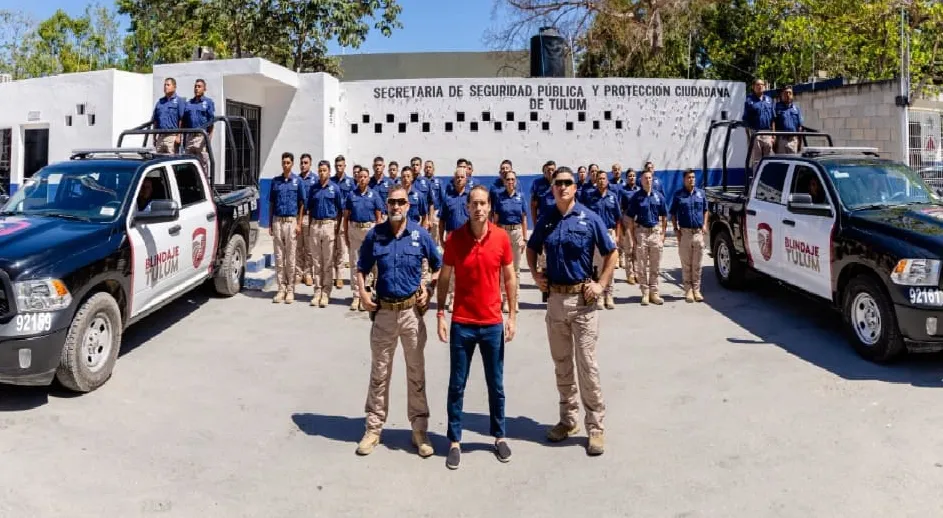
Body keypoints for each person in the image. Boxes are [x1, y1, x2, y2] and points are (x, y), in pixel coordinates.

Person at [525, 166, 616, 456]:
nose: (562, 187)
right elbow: (532, 247)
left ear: (575, 187)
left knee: (587, 365)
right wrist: (535, 275)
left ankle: (596, 427)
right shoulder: (548, 220)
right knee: (562, 363)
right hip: (555, 302)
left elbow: (611, 252)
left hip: (583, 303)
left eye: (567, 183)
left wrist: (601, 284)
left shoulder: (590, 219)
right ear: (552, 189)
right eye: (557, 183)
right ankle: (568, 420)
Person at [355, 185, 441, 458]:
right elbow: (361, 267)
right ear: (387, 204)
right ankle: (373, 429)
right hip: (383, 314)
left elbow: (439, 265)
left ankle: (419, 430)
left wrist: (428, 288)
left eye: (401, 202)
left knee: (416, 374)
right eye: (391, 202)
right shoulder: (376, 235)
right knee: (379, 374)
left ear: (408, 205)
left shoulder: (420, 234)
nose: (395, 206)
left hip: (411, 315)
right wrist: (362, 292)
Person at [436, 185, 517, 470]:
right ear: (467, 208)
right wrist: (440, 315)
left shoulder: (502, 238)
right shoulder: (455, 239)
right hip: (463, 324)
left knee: (496, 385)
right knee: (457, 385)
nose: (479, 208)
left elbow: (509, 277)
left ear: (490, 207)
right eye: (474, 204)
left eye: (483, 203)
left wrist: (513, 315)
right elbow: (444, 279)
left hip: (493, 324)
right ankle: (455, 441)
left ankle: (499, 436)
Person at [581, 171, 622, 309]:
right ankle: (598, 296)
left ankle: (609, 295)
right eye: (599, 179)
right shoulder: (590, 197)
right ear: (595, 180)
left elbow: (618, 218)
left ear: (607, 181)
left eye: (604, 178)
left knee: (609, 266)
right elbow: (585, 218)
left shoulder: (613, 197)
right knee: (597, 266)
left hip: (609, 233)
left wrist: (617, 235)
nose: (601, 181)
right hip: (595, 235)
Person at [626, 170, 668, 306]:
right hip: (642, 233)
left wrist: (663, 234)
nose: (648, 180)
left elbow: (664, 216)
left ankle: (654, 292)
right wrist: (633, 236)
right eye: (645, 178)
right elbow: (630, 218)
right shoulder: (636, 197)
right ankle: (644, 292)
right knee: (642, 265)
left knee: (655, 264)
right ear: (641, 181)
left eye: (650, 178)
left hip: (655, 232)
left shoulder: (659, 196)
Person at [268, 152, 306, 304]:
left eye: (288, 162)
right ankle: (280, 289)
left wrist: (299, 223)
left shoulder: (297, 182)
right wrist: (270, 223)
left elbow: (302, 203)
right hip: (278, 221)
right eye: (284, 162)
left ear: (292, 164)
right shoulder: (275, 182)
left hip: (291, 221)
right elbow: (271, 203)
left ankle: (290, 289)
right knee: (279, 257)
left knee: (290, 257)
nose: (286, 165)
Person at [344, 166, 383, 311]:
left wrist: (378, 234)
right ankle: (356, 296)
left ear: (368, 178)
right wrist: (346, 234)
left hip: (370, 230)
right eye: (360, 176)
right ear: (357, 178)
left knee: (371, 264)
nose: (362, 179)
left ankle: (367, 293)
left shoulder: (374, 195)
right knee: (355, 263)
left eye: (365, 176)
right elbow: (346, 217)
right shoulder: (351, 195)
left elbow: (379, 216)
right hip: (355, 230)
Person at [306, 160, 343, 308]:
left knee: (327, 262)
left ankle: (326, 292)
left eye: (324, 170)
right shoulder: (313, 189)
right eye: (320, 170)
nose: (322, 173)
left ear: (329, 172)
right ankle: (317, 291)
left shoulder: (335, 189)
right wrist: (310, 228)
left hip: (329, 225)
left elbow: (340, 210)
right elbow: (309, 209)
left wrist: (336, 227)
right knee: (316, 261)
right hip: (315, 225)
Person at [491, 170, 528, 313]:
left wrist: (524, 238)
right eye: (508, 180)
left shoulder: (521, 197)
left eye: (513, 179)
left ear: (516, 181)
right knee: (503, 268)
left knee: (516, 269)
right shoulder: (500, 197)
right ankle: (505, 299)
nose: (510, 182)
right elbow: (495, 219)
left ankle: (515, 299)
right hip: (503, 233)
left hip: (517, 232)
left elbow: (524, 218)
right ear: (504, 181)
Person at [670, 169, 709, 303]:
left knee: (697, 264)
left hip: (698, 233)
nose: (691, 179)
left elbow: (705, 210)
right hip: (685, 233)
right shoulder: (678, 195)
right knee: (686, 264)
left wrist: (704, 225)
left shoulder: (701, 194)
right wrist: (676, 229)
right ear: (684, 179)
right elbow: (673, 213)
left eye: (693, 177)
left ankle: (697, 290)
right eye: (688, 177)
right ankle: (688, 290)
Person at [439, 167, 471, 311]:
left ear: (466, 178)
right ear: (454, 179)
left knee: (467, 269)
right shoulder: (448, 198)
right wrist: (441, 239)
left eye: (462, 177)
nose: (459, 179)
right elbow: (442, 221)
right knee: (451, 271)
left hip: (468, 237)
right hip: (452, 237)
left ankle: (467, 298)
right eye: (457, 177)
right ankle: (453, 298)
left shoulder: (471, 198)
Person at [182, 78, 216, 177]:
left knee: (202, 163)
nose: (196, 88)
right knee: (188, 163)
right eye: (195, 86)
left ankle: (204, 185)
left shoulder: (208, 102)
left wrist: (209, 137)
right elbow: (184, 122)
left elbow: (211, 122)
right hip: (190, 137)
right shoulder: (189, 103)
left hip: (202, 136)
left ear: (204, 89)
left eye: (199, 87)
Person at [332, 155, 355, 291]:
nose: (338, 168)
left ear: (345, 166)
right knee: (331, 247)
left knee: (341, 247)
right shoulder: (331, 181)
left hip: (344, 217)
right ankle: (332, 274)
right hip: (332, 216)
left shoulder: (350, 182)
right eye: (336, 166)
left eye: (341, 165)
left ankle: (339, 276)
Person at [743, 78, 776, 168]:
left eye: (762, 84)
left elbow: (773, 119)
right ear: (753, 87)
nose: (760, 86)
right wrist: (749, 137)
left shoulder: (769, 100)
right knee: (757, 162)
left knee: (769, 161)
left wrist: (773, 135)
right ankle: (756, 181)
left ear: (764, 87)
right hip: (755, 133)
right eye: (757, 85)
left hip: (768, 133)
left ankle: (768, 181)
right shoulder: (749, 101)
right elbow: (746, 120)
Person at [295, 154, 315, 287]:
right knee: (298, 246)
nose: (303, 165)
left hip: (309, 216)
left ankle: (308, 273)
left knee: (308, 247)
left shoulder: (315, 180)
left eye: (306, 163)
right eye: (301, 163)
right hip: (296, 216)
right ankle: (298, 273)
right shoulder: (295, 179)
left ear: (310, 164)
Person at [151, 78, 185, 154]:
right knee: (158, 161)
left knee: (171, 160)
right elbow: (155, 120)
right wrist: (154, 137)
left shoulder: (179, 101)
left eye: (168, 85)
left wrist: (178, 136)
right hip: (160, 137)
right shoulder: (160, 102)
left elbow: (181, 120)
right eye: (165, 85)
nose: (165, 87)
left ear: (174, 87)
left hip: (172, 137)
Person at [620, 169, 640, 284]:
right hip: (627, 220)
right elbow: (621, 208)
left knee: (637, 249)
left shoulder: (639, 190)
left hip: (638, 221)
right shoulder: (623, 191)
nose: (632, 178)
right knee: (629, 248)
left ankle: (637, 273)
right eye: (630, 176)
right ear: (626, 178)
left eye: (633, 176)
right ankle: (630, 275)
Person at [775, 86, 803, 154]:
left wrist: (800, 142)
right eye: (785, 93)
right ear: (781, 95)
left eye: (790, 93)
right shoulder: (776, 107)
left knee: (793, 162)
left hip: (793, 140)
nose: (788, 95)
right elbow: (773, 124)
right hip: (781, 140)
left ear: (792, 95)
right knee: (781, 163)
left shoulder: (796, 109)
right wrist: (774, 140)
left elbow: (799, 127)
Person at [423, 160, 443, 246]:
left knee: (435, 236)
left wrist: (440, 214)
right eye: (426, 167)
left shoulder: (439, 182)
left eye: (430, 167)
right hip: (424, 212)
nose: (428, 169)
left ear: (433, 169)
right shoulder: (421, 182)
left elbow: (443, 199)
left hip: (435, 212)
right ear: (424, 169)